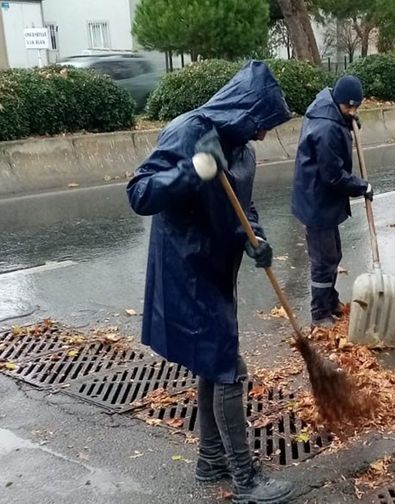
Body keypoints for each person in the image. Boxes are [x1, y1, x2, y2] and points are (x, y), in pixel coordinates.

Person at [126, 61, 295, 504]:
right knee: (227, 368)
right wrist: (194, 170)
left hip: (218, 268)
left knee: (212, 361)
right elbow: (140, 194)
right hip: (186, 269)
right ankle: (243, 476)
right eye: (261, 124)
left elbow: (244, 206)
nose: (262, 134)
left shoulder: (242, 149)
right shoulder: (189, 132)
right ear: (245, 111)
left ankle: (210, 460)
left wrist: (256, 238)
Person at [291, 75, 372, 327]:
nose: (352, 111)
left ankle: (330, 300)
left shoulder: (330, 111)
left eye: (356, 106)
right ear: (338, 102)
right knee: (323, 261)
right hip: (317, 201)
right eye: (349, 107)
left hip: (319, 198)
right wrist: (362, 186)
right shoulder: (326, 129)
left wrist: (348, 121)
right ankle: (319, 313)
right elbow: (333, 176)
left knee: (333, 255)